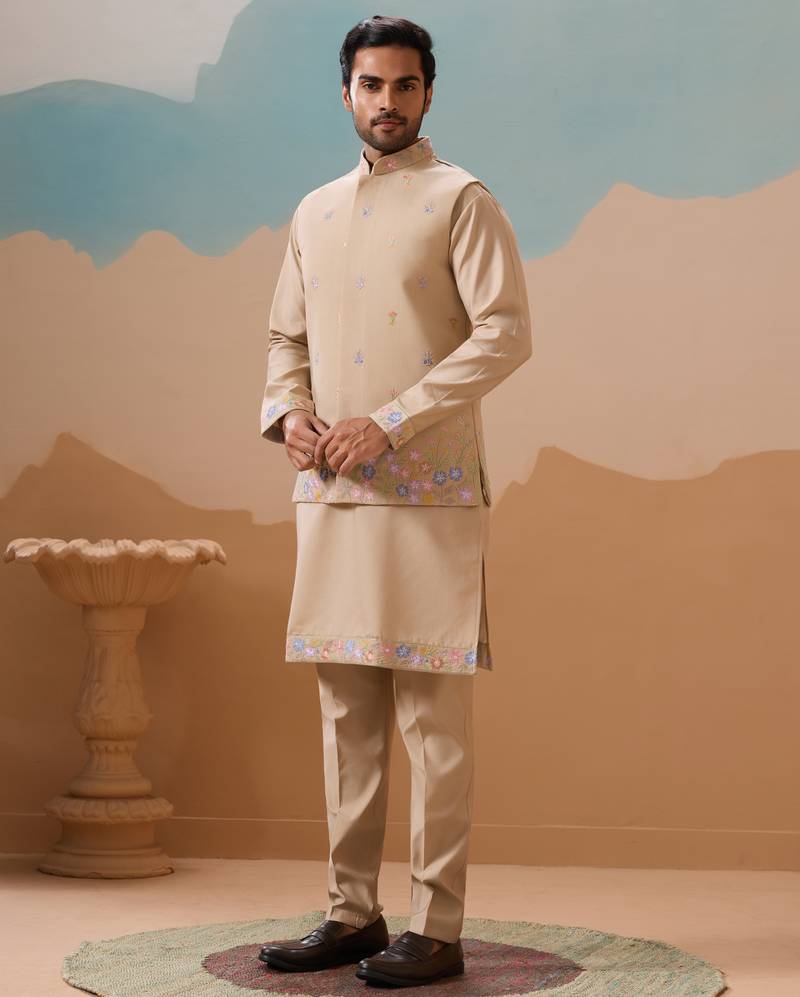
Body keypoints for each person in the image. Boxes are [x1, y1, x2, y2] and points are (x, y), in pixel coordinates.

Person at [257, 13, 533, 988]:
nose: (387, 102)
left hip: (429, 495)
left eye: (404, 85)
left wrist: (391, 420)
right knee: (346, 716)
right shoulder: (314, 211)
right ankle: (350, 912)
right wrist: (288, 413)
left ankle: (435, 926)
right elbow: (285, 339)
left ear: (427, 93)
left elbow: (503, 332)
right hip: (332, 493)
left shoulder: (461, 200)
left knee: (432, 721)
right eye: (371, 85)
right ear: (346, 93)